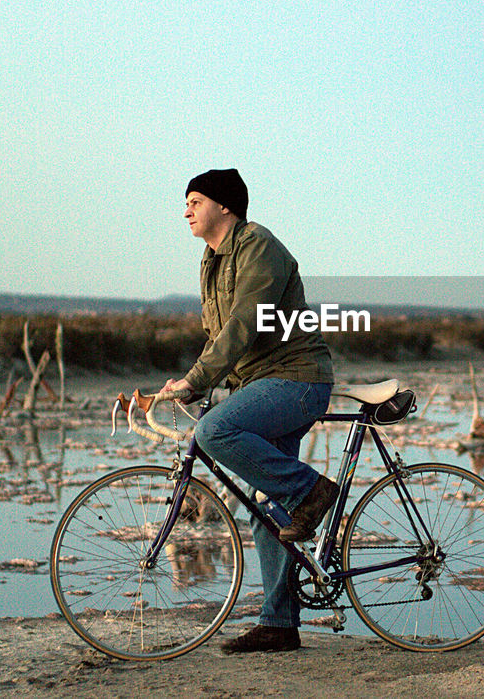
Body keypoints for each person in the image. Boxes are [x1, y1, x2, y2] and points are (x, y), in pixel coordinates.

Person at [160, 168, 337, 654]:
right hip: (261, 383)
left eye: (195, 200)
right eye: (186, 202)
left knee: (216, 432)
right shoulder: (212, 259)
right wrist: (201, 383)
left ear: (225, 206)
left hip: (297, 379)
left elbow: (243, 324)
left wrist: (199, 380)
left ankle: (312, 490)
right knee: (264, 503)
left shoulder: (258, 245)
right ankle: (279, 624)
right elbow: (219, 336)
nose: (187, 210)